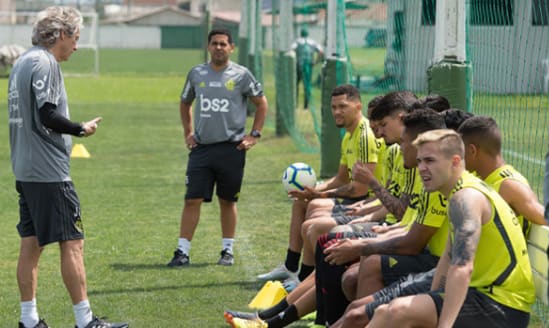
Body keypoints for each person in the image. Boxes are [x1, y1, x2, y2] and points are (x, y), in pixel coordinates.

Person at [7, 6, 128, 328]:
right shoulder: (44, 63)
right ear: (61, 34)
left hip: (25, 168)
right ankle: (85, 321)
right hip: (49, 172)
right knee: (72, 243)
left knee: (31, 245)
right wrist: (80, 128)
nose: (76, 45)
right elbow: (47, 114)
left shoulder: (22, 62)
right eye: (75, 37)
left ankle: (29, 321)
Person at [368, 129, 535, 328]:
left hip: (503, 306)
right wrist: (432, 297)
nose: (421, 168)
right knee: (382, 312)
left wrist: (444, 325)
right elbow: (448, 256)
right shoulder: (458, 193)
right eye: (420, 161)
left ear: (455, 161)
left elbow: (462, 267)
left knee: (399, 311)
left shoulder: (466, 197)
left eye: (430, 161)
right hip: (484, 297)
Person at [257, 84, 379, 287]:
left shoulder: (365, 136)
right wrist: (312, 191)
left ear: (358, 107)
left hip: (367, 201)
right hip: (358, 196)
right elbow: (340, 178)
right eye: (334, 107)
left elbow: (360, 189)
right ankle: (290, 265)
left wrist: (318, 196)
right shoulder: (349, 135)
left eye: (343, 106)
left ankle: (307, 279)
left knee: (313, 219)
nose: (337, 112)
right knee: (301, 201)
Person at [167, 28, 268, 267]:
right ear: (208, 47)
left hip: (232, 149)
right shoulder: (197, 73)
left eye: (224, 44)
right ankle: (182, 252)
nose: (219, 48)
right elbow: (185, 103)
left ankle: (227, 251)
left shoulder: (242, 75)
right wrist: (188, 133)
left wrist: (254, 135)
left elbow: (261, 103)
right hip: (202, 149)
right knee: (192, 199)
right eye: (215, 43)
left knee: (227, 201)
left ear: (231, 48)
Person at [291, 28, 323, 109]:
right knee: (307, 85)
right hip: (308, 65)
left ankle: (295, 104)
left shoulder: (297, 41)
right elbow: (321, 51)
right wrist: (316, 62)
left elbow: (291, 49)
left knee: (295, 85)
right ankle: (306, 105)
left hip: (298, 65)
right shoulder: (312, 42)